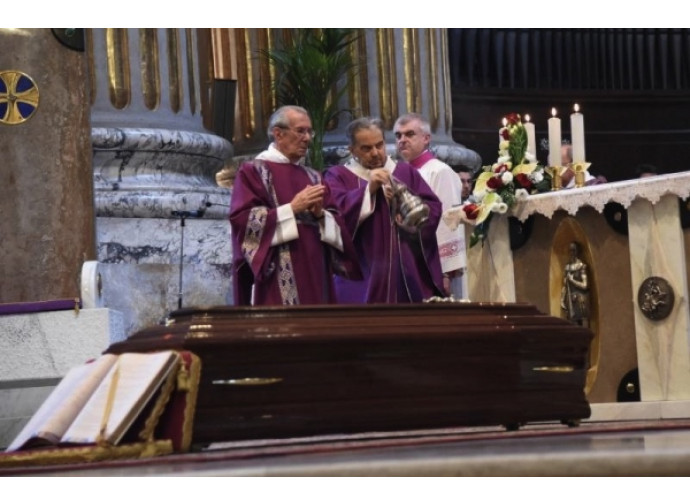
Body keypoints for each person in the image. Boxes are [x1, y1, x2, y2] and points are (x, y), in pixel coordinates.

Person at [229, 105, 360, 306]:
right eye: (300, 131)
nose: (307, 138)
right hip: (278, 274)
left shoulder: (314, 176)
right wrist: (292, 208)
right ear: (278, 134)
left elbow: (338, 223)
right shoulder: (254, 171)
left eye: (309, 131)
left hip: (317, 272)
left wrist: (320, 215)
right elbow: (243, 222)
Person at [324, 117, 444, 303]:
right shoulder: (339, 176)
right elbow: (335, 216)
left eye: (379, 145)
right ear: (352, 150)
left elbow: (433, 209)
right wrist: (368, 191)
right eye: (366, 148)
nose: (375, 153)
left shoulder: (404, 172)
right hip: (363, 274)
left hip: (405, 271)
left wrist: (413, 220)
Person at [393, 113, 466, 299]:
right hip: (412, 261)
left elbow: (449, 221)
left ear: (426, 139)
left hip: (436, 265)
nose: (402, 140)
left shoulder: (440, 171)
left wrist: (446, 272)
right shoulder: (397, 172)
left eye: (410, 134)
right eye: (398, 135)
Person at [561, 241, 590, 327]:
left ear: (578, 251)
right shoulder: (567, 267)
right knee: (572, 326)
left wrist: (572, 280)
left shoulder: (582, 266)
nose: (572, 253)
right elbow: (565, 286)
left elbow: (585, 285)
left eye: (574, 250)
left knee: (583, 326)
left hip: (581, 299)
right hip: (570, 299)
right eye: (570, 250)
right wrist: (562, 299)